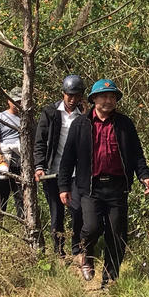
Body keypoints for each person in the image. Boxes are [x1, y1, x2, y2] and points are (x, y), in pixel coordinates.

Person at [57, 78, 149, 288]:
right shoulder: (80, 124)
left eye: (112, 97)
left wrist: (144, 175)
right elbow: (68, 158)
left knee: (116, 234)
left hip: (117, 187)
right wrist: (63, 186)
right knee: (91, 228)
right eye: (104, 97)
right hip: (90, 187)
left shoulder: (124, 124)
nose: (109, 101)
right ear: (94, 99)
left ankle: (109, 280)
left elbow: (137, 153)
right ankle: (86, 254)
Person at [34, 74, 86, 261]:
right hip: (52, 171)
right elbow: (40, 141)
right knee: (56, 213)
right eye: (69, 95)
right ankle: (59, 251)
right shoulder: (50, 113)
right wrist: (39, 166)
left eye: (77, 95)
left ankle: (77, 249)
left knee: (77, 209)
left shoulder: (84, 116)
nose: (73, 99)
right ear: (63, 93)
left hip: (75, 172)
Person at [0, 87, 25, 218]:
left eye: (20, 101)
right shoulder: (0, 117)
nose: (18, 104)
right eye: (15, 101)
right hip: (4, 163)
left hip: (21, 165)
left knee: (22, 199)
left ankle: (25, 225)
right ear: (8, 100)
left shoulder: (27, 119)